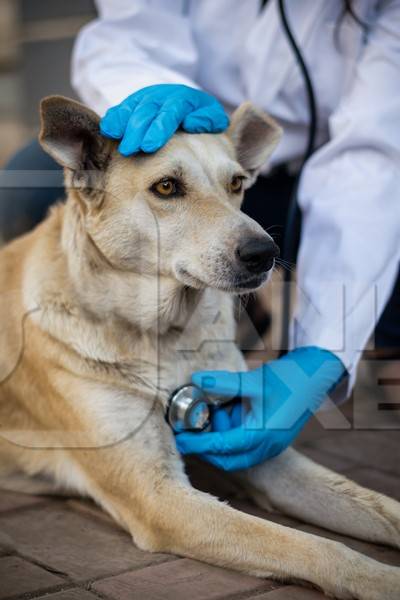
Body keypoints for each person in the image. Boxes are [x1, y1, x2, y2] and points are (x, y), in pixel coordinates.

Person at [1, 0, 399, 470]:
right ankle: (51, 375)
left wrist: (324, 353)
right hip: (159, 145)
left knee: (377, 293)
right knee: (24, 189)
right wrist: (149, 95)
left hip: (283, 169)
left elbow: (376, 157)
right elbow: (127, 31)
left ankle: (371, 342)